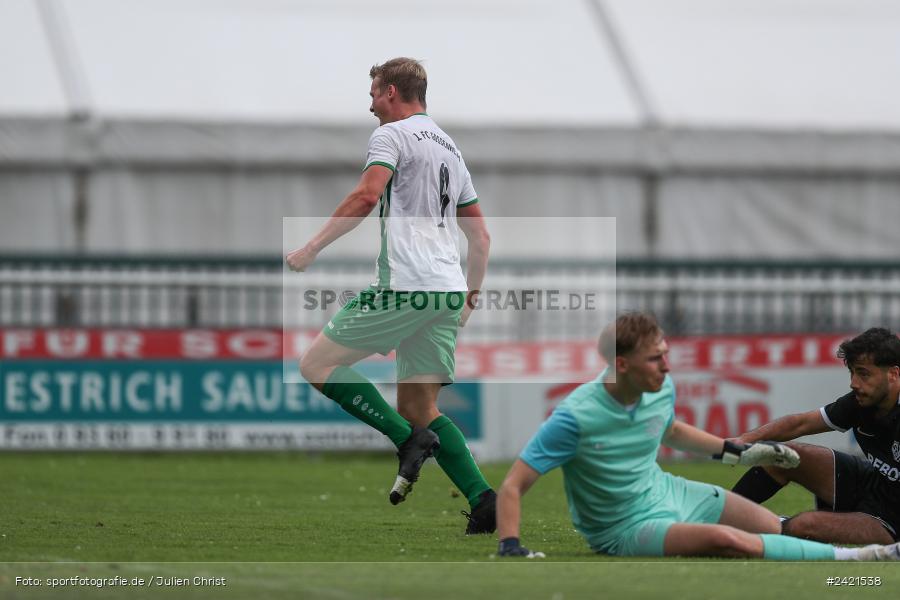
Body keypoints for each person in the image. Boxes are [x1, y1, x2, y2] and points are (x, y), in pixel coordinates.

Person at [285, 57, 496, 534]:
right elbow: (481, 237)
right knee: (422, 408)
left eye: (374, 92)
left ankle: (407, 443)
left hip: (406, 284)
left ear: (394, 92)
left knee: (316, 365)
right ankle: (486, 503)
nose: (370, 103)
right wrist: (470, 297)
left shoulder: (391, 136)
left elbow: (365, 195)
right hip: (445, 290)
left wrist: (311, 247)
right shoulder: (450, 148)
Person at [495, 312, 900, 561]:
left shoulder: (657, 389)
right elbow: (513, 484)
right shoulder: (576, 415)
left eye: (862, 374)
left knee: (784, 529)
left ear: (894, 374)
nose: (668, 368)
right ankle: (829, 548)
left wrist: (728, 451)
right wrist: (742, 447)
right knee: (778, 473)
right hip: (624, 525)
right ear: (623, 365)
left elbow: (671, 429)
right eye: (657, 358)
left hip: (891, 515)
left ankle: (851, 551)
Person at [732, 327, 900, 545]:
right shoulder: (860, 402)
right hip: (874, 484)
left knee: (803, 526)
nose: (854, 383)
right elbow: (800, 424)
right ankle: (719, 514)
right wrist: (743, 440)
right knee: (782, 457)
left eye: (863, 373)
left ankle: (738, 530)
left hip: (893, 521)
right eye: (852, 372)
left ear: (894, 374)